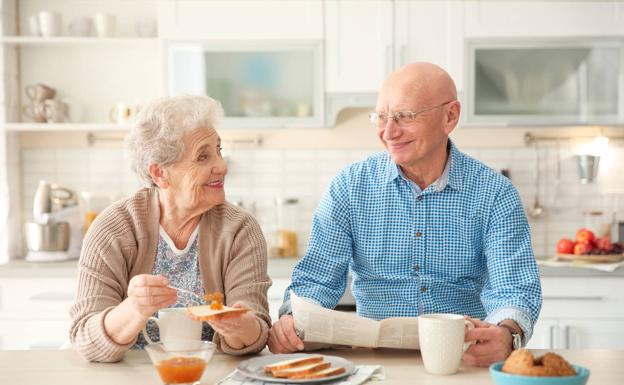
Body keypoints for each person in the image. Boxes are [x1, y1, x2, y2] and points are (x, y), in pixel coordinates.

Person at [268, 62, 542, 367]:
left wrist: (507, 334)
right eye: (381, 117)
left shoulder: (495, 194)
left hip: (462, 360)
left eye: (405, 117)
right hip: (373, 363)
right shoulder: (349, 187)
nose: (388, 132)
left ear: (450, 116)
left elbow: (513, 289)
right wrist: (292, 318)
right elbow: (316, 279)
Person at [69, 95, 271, 362]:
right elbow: (85, 338)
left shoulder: (240, 229)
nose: (222, 166)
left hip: (211, 377)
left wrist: (241, 325)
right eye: (203, 156)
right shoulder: (113, 229)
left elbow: (255, 334)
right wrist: (134, 309)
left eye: (219, 150)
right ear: (159, 174)